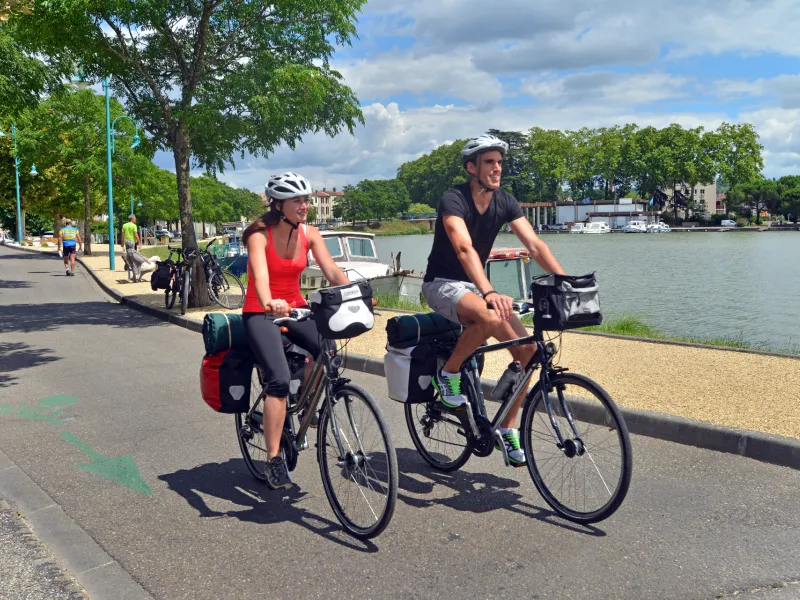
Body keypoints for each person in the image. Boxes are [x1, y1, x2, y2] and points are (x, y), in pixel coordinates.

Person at [422, 134, 566, 467]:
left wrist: (564, 279)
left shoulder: (505, 201)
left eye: (499, 162)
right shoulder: (453, 199)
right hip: (442, 283)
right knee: (488, 316)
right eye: (489, 162)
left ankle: (506, 426)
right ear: (471, 167)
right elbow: (463, 248)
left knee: (529, 353)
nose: (497, 168)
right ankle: (448, 373)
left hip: (473, 287)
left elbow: (534, 245)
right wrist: (488, 291)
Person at [241, 172, 350, 490]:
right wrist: (268, 302)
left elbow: (331, 270)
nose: (305, 205)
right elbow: (260, 278)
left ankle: (305, 404)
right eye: (298, 201)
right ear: (277, 205)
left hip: (297, 308)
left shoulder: (310, 233)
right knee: (277, 378)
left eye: (306, 199)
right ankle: (274, 458)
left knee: (329, 352)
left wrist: (356, 292)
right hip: (261, 313)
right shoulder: (258, 234)